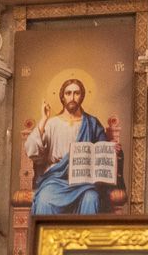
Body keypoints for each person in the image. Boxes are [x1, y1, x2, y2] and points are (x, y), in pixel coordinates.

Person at [24, 78, 110, 215]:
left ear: (82, 96)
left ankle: (85, 231)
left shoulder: (91, 123)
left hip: (83, 181)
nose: (72, 97)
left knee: (91, 198)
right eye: (68, 93)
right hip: (55, 179)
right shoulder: (52, 123)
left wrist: (113, 150)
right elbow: (32, 150)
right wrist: (44, 119)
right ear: (62, 97)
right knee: (44, 200)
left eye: (76, 93)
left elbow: (103, 150)